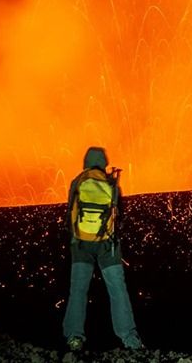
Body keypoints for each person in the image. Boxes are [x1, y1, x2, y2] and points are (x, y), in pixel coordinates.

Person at [62, 146, 144, 351]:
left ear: (86, 162)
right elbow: (120, 215)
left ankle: (74, 337)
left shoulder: (78, 181)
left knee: (78, 291)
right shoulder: (111, 183)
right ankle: (130, 338)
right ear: (104, 163)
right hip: (108, 246)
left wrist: (74, 239)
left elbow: (69, 213)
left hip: (81, 244)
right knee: (118, 290)